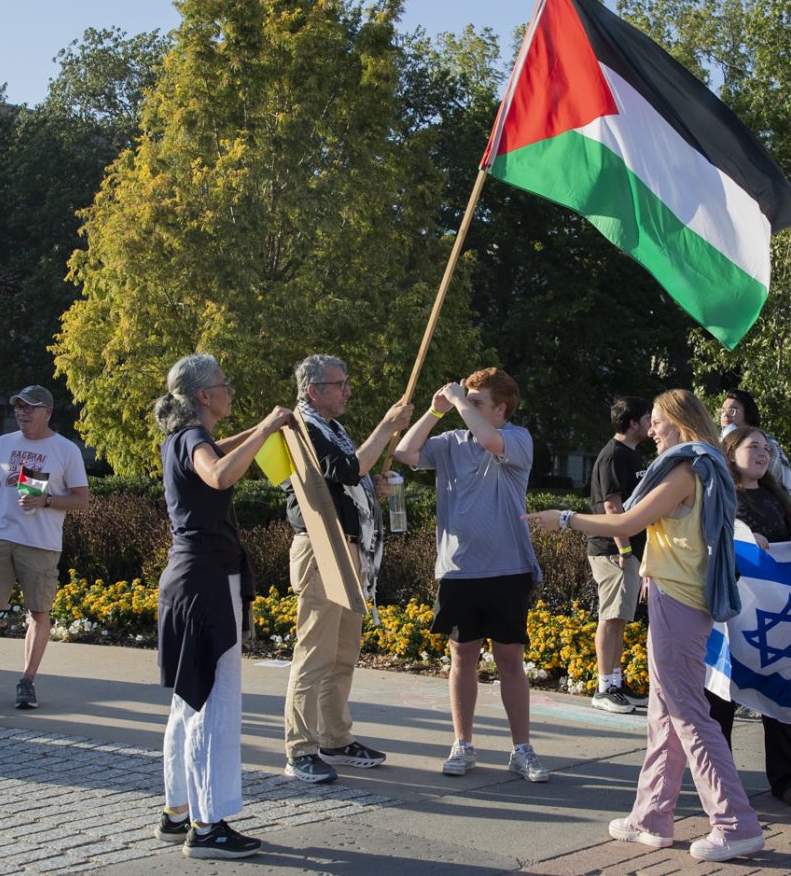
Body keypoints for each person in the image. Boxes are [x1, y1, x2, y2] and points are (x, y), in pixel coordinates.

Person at [525, 390, 764, 864]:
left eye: (657, 422)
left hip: (679, 600)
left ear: (679, 421)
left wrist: (565, 518)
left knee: (688, 715)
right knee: (664, 715)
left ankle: (735, 822)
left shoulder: (684, 469)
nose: (651, 430)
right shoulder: (701, 465)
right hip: (678, 596)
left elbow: (629, 521)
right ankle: (652, 818)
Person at [152, 354, 292, 859]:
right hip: (206, 583)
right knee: (214, 704)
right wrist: (268, 429)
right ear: (202, 397)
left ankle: (177, 812)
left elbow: (215, 453)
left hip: (191, 579)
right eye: (223, 385)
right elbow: (219, 474)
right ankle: (207, 828)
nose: (230, 389)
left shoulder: (184, 439)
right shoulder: (192, 440)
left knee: (188, 702)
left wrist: (260, 428)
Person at [394, 368, 548, 783]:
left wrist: (461, 400)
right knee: (462, 657)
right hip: (459, 570)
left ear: (500, 408)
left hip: (507, 567)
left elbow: (492, 440)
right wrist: (433, 412)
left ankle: (522, 749)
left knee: (510, 659)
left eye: (479, 402)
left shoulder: (516, 438)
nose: (469, 407)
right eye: (470, 400)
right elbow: (406, 454)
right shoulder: (450, 442)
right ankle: (463, 744)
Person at [282, 355, 412, 784]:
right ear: (314, 390)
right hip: (322, 548)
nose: (347, 391)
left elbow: (347, 478)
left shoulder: (331, 428)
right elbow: (343, 468)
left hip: (350, 548)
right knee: (315, 652)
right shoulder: (300, 429)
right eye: (340, 384)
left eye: (346, 383)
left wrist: (368, 485)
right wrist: (387, 427)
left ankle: (335, 737)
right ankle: (300, 748)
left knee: (342, 653)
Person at [0, 385, 89, 711]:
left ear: (48, 412)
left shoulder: (65, 450)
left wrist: (47, 500)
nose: (22, 412)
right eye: (18, 407)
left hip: (41, 544)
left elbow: (82, 500)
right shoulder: (3, 444)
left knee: (38, 613)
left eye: (30, 407)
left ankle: (27, 681)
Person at [707, 425, 791, 805]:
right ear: (731, 452)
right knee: (720, 696)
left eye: (766, 449)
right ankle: (719, 781)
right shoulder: (720, 493)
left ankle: (790, 779)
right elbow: (713, 537)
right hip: (732, 613)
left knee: (779, 694)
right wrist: (743, 539)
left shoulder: (775, 494)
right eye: (754, 447)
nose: (763, 454)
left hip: (774, 614)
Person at [587, 396, 651, 714]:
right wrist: (624, 548)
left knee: (620, 619)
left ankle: (616, 680)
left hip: (628, 550)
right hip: (613, 550)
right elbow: (612, 506)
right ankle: (604, 688)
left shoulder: (633, 455)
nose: (652, 423)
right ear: (634, 422)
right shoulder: (614, 455)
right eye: (648, 418)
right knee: (610, 618)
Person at [717, 388, 791, 499]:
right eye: (722, 411)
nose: (725, 415)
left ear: (748, 414)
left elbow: (769, 486)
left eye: (732, 410)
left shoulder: (767, 446)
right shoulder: (716, 444)